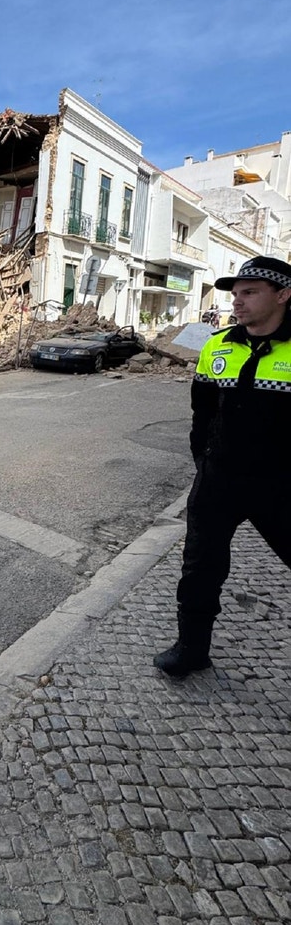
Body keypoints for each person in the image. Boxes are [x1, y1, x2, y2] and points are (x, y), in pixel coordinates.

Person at [154, 255, 291, 677]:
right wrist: (204, 460)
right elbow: (202, 412)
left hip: (281, 487)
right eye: (235, 295)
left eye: (250, 293)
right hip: (218, 482)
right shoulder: (218, 345)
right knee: (200, 566)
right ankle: (191, 649)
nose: (238, 303)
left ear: (283, 294)